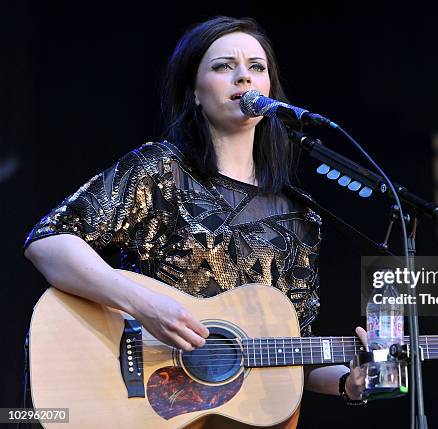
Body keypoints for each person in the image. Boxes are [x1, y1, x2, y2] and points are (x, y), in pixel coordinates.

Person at [23, 16, 367, 413]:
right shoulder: (161, 170)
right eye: (224, 66)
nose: (244, 78)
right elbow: (49, 240)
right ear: (194, 92)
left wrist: (347, 382)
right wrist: (143, 305)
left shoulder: (300, 214)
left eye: (257, 67)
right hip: (142, 401)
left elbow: (295, 353)